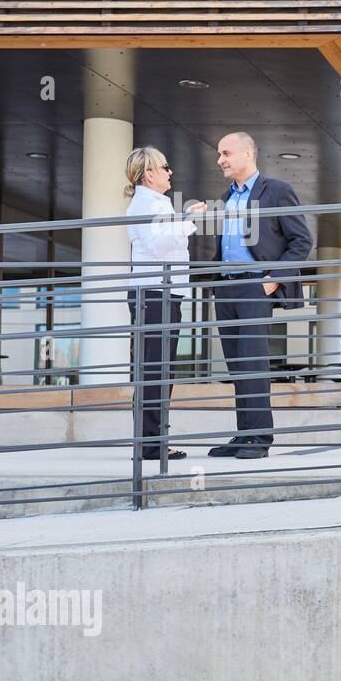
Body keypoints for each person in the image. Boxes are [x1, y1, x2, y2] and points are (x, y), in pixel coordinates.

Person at [207, 132, 314, 459]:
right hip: (226, 287)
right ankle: (244, 436)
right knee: (237, 365)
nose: (220, 160)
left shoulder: (277, 190)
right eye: (219, 154)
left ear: (247, 154)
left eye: (225, 153)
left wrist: (273, 280)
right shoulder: (226, 197)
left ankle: (260, 439)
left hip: (255, 285)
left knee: (253, 363)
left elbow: (302, 241)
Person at [124, 146, 205, 461]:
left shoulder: (156, 202)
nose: (170, 172)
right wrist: (189, 221)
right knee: (155, 370)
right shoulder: (144, 203)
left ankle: (152, 441)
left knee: (160, 370)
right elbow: (158, 246)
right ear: (149, 174)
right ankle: (150, 445)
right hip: (154, 295)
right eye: (165, 167)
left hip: (165, 294)